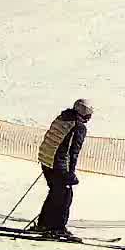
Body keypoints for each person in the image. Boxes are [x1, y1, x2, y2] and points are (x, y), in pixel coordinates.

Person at [34, 98, 92, 240]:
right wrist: (69, 173)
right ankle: (57, 228)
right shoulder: (78, 126)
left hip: (47, 160)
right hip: (58, 163)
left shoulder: (63, 118)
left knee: (56, 192)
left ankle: (44, 224)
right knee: (65, 195)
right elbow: (72, 152)